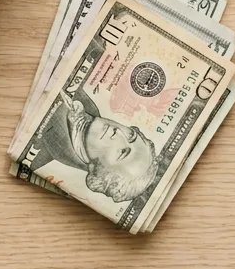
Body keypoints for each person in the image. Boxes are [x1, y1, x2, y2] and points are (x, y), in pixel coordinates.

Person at [26, 87, 158, 203]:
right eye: (131, 135)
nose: (119, 133)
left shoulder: (35, 155)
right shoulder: (85, 100)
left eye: (122, 151)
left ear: (100, 171)